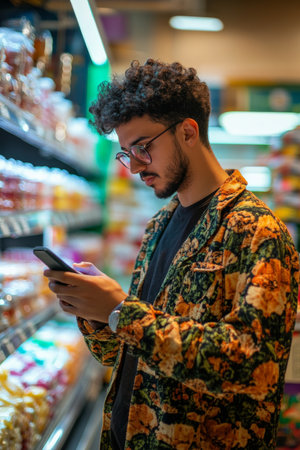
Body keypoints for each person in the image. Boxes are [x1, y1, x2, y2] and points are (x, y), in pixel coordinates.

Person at [44, 59, 299, 449]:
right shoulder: (158, 226)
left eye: (143, 148)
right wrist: (94, 311)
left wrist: (121, 312)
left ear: (188, 132)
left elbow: (252, 367)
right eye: (127, 153)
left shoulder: (257, 231)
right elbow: (128, 354)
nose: (134, 168)